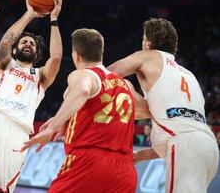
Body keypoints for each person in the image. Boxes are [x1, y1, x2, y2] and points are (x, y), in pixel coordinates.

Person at [21, 28, 150, 193]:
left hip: (88, 163)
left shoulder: (82, 75)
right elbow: (147, 111)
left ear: (75, 54)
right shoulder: (126, 85)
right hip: (124, 170)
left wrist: (54, 125)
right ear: (101, 53)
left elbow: (83, 90)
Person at [0, 0, 63, 193]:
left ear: (37, 54)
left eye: (32, 44)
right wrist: (29, 14)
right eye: (24, 42)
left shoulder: (41, 76)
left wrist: (54, 19)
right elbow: (5, 43)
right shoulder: (3, 65)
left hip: (19, 133)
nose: (28, 44)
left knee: (1, 190)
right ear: (15, 50)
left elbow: (57, 57)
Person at [108, 18, 219, 193]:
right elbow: (181, 127)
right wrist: (142, 155)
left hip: (186, 146)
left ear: (148, 43)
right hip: (209, 147)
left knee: (123, 86)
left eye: (143, 38)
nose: (142, 42)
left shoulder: (147, 56)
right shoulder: (188, 75)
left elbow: (108, 74)